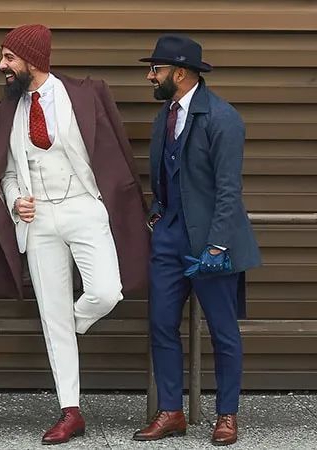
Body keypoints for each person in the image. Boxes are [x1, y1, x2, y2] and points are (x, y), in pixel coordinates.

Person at [0, 24, 150, 444]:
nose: (2, 65)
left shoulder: (86, 94)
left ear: (32, 59)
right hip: (38, 220)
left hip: (84, 207)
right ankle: (70, 410)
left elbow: (114, 151)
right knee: (51, 312)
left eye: (9, 58)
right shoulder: (7, 111)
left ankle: (65, 326)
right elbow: (5, 172)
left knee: (106, 293)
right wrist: (15, 200)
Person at [132, 34, 261, 447]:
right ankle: (171, 411)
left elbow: (229, 189)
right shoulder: (164, 117)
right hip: (169, 237)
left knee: (223, 330)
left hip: (212, 242)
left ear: (181, 72)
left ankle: (227, 415)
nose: (150, 76)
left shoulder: (223, 118)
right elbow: (165, 173)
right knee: (161, 324)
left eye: (157, 69)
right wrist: (157, 213)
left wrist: (217, 245)